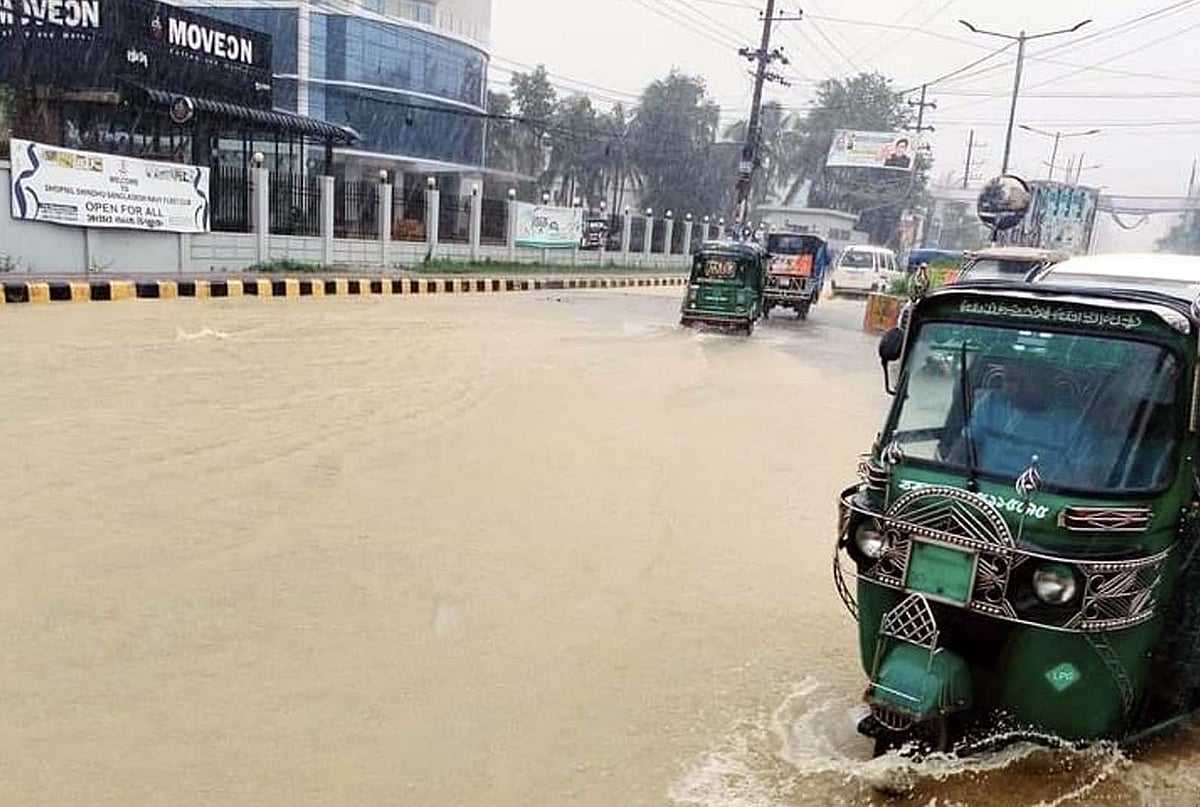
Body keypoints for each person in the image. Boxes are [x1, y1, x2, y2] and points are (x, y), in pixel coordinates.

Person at [967, 361, 1075, 479]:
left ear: (1045, 381)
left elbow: (1083, 476)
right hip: (982, 486)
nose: (1017, 389)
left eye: (1026, 381)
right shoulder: (991, 403)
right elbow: (963, 449)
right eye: (1010, 379)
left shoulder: (1072, 423)